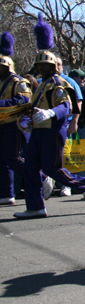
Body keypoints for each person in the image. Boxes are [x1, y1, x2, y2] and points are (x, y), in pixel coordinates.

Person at [15, 14, 85, 219]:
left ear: (51, 66)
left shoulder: (58, 83)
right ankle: (35, 206)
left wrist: (50, 113)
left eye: (43, 65)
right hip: (37, 132)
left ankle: (84, 185)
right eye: (38, 65)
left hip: (53, 130)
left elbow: (66, 106)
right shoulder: (41, 84)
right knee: (31, 167)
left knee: (52, 168)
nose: (39, 68)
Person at [0, 33, 31, 206]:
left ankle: (41, 177)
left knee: (13, 158)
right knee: (2, 160)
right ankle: (6, 193)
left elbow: (23, 101)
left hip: (14, 124)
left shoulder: (19, 82)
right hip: (2, 124)